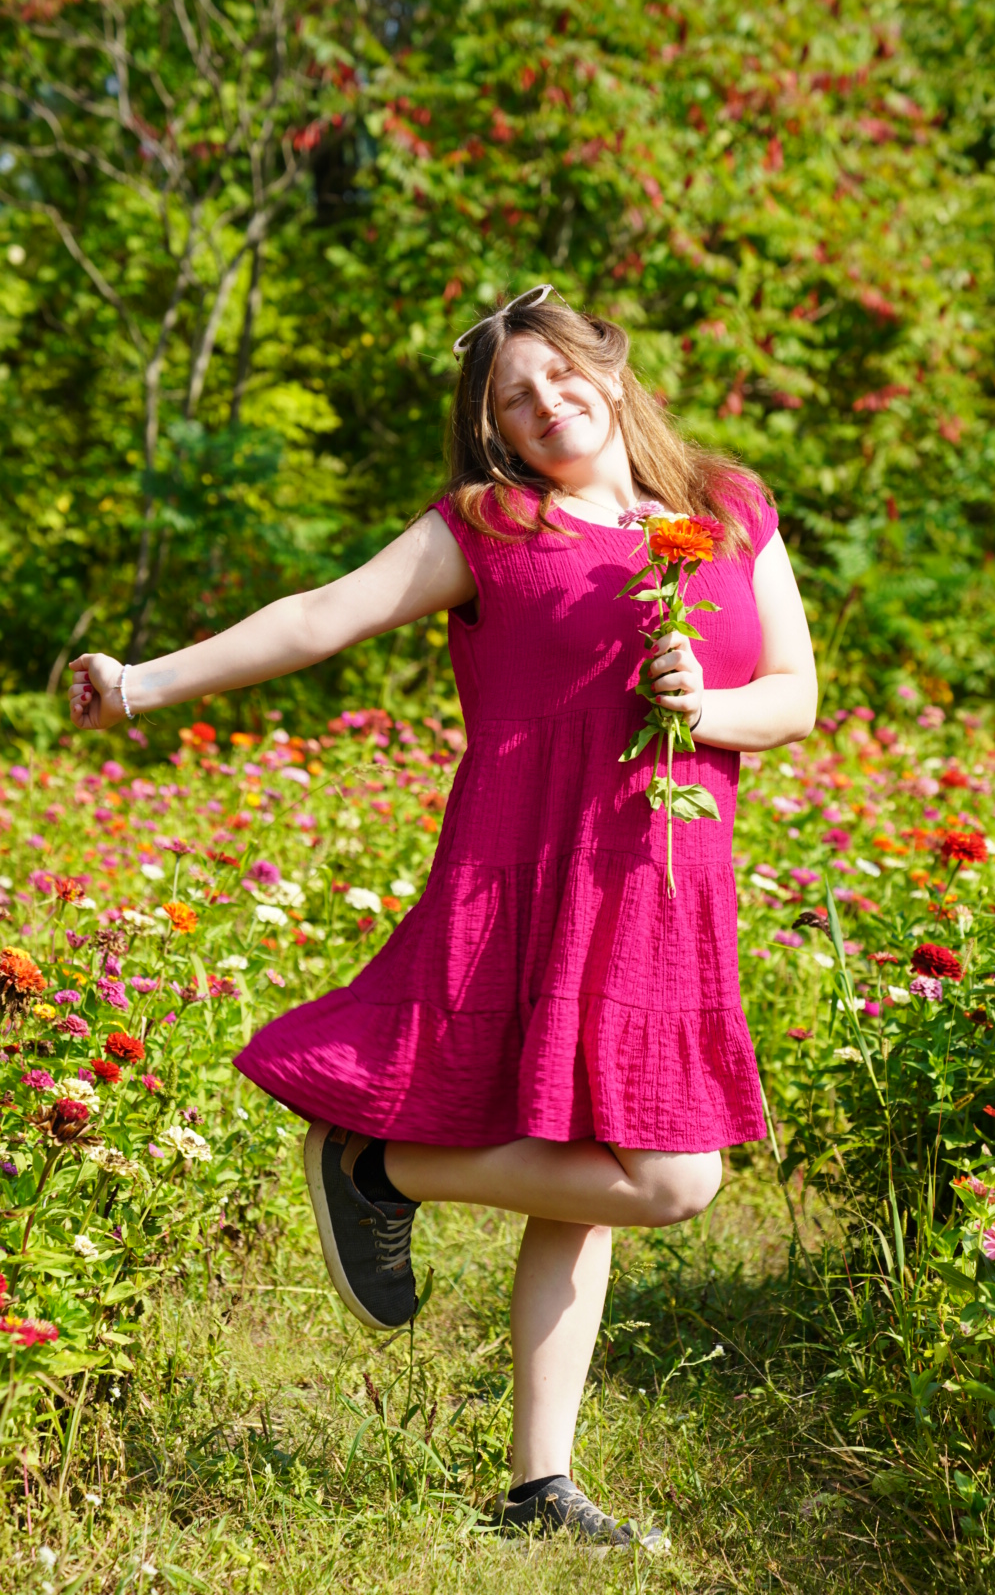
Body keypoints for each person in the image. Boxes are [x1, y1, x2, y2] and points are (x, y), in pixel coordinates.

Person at [69, 285, 817, 1549]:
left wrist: (706, 706)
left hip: (664, 877)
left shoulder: (730, 505)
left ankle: (538, 1486)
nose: (545, 404)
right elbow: (324, 615)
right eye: (513, 401)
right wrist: (141, 682)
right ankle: (378, 1163)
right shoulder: (491, 525)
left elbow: (793, 692)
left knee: (594, 1179)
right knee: (675, 1177)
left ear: (608, 368)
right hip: (532, 861)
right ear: (495, 430)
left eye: (559, 375)